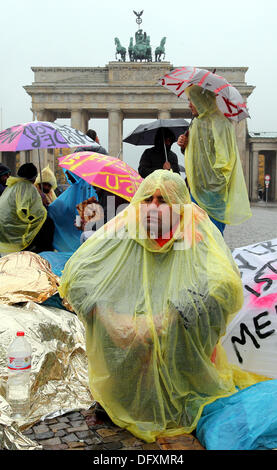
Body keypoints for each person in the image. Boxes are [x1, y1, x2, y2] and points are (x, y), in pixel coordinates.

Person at [59, 170, 266, 443]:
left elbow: (225, 285)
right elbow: (77, 275)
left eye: (163, 200)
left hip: (176, 348)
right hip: (124, 337)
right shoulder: (123, 229)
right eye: (148, 198)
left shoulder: (196, 233)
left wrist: (166, 319)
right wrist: (110, 317)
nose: (154, 207)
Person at [177, 85, 252, 235]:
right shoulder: (195, 125)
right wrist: (184, 145)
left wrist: (214, 183)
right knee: (195, 233)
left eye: (192, 100)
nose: (189, 104)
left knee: (213, 234)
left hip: (214, 191)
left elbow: (225, 160)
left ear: (201, 100)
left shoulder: (221, 124)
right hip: (195, 189)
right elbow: (197, 156)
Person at [0, 163, 54, 254]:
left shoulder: (12, 186)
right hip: (13, 229)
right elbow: (24, 210)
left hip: (4, 228)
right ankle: (44, 254)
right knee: (48, 223)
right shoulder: (27, 187)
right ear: (34, 177)